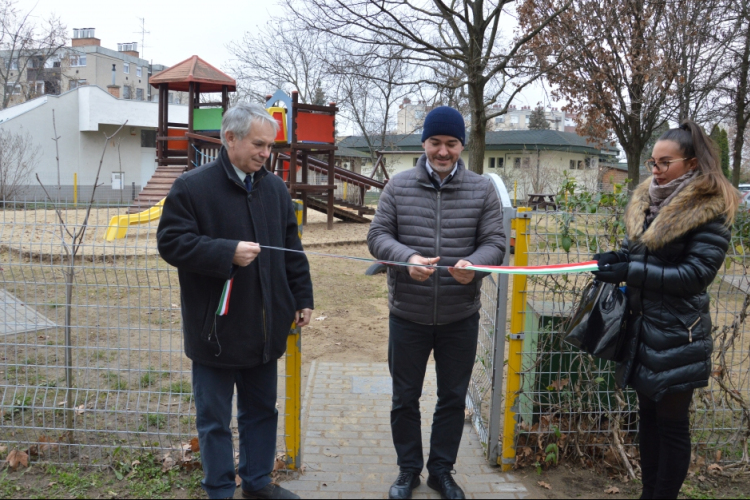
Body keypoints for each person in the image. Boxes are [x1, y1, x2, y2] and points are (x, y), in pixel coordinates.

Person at [157, 102, 313, 500]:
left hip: (265, 328)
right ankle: (220, 489)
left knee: (262, 412)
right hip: (216, 331)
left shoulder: (275, 189)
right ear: (230, 138)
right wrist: (226, 251)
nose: (266, 154)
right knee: (214, 421)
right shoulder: (192, 187)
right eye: (259, 144)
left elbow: (291, 247)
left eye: (270, 146)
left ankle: (258, 483)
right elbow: (171, 243)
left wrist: (302, 297)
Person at [593, 120, 739, 499]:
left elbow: (695, 275)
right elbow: (642, 252)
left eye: (663, 163)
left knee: (672, 426)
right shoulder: (650, 201)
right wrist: (619, 258)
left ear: (691, 164)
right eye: (652, 163)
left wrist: (632, 270)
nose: (655, 172)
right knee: (648, 421)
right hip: (643, 331)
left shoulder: (710, 208)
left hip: (678, 335)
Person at [368, 106, 506, 500]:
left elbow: (495, 243)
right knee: (404, 397)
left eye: (451, 143)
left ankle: (441, 471)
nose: (442, 152)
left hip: (459, 314)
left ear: (461, 144)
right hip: (407, 313)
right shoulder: (398, 186)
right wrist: (406, 259)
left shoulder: (482, 189)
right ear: (424, 143)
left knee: (451, 397)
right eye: (435, 142)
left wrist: (474, 266)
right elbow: (378, 235)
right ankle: (408, 470)